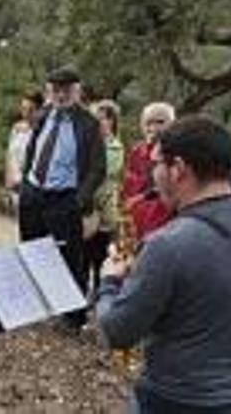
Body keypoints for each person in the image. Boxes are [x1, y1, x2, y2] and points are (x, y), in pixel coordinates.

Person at [97, 116, 231, 413]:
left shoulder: (168, 244)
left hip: (174, 399)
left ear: (178, 169)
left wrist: (110, 281)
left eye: (155, 165)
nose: (152, 175)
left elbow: (117, 332)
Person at [19, 67, 106, 330]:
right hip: (34, 194)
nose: (60, 95)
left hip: (64, 200)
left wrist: (78, 201)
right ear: (49, 92)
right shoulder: (44, 115)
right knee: (32, 251)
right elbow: (33, 151)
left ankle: (74, 318)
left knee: (70, 259)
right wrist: (25, 183)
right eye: (55, 89)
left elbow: (97, 168)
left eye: (66, 89)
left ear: (77, 91)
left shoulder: (89, 124)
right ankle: (34, 307)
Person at [83, 99, 124, 295]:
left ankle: (100, 295)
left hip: (103, 211)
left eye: (104, 119)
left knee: (99, 256)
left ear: (112, 122)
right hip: (85, 209)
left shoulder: (115, 148)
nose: (100, 122)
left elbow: (103, 174)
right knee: (82, 256)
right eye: (96, 119)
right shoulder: (86, 144)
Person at [121, 102, 176, 241]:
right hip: (137, 220)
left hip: (166, 222)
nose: (154, 127)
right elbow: (128, 186)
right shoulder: (136, 151)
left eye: (160, 122)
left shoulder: (178, 152)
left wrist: (144, 196)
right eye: (148, 122)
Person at [5, 90, 44, 213]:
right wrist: (8, 183)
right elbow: (9, 155)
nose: (26, 113)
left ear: (39, 111)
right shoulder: (16, 129)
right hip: (15, 187)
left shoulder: (43, 133)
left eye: (30, 110)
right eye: (23, 109)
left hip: (32, 189)